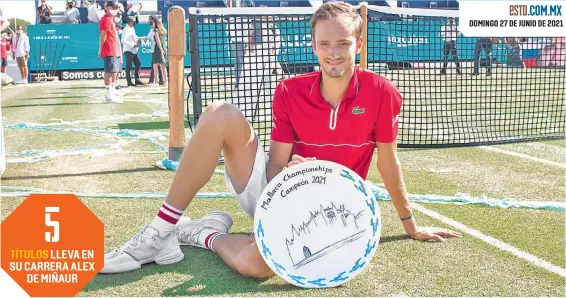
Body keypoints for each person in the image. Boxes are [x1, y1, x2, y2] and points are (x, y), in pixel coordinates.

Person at [101, 1, 461, 276]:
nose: (333, 53)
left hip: (330, 206)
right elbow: (275, 163)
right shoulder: (289, 89)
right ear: (313, 44)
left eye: (343, 43)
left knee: (260, 268)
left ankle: (202, 235)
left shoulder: (383, 92)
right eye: (325, 44)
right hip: (277, 189)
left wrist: (410, 226)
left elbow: (387, 161)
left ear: (358, 43)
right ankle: (161, 230)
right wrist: (287, 181)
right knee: (219, 114)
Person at [98, 1, 123, 103]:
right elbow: (103, 35)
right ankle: (109, 95)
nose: (115, 9)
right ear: (108, 8)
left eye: (116, 7)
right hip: (109, 48)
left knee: (114, 71)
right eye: (114, 7)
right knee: (109, 72)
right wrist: (100, 49)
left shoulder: (111, 19)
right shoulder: (107, 19)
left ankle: (111, 92)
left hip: (114, 48)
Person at [121, 16, 147, 87]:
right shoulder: (126, 30)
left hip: (134, 50)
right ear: (130, 21)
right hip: (128, 50)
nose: (135, 22)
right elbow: (123, 41)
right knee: (128, 66)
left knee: (138, 64)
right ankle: (129, 81)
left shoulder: (132, 28)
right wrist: (133, 45)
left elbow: (135, 37)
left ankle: (137, 80)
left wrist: (143, 38)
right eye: (134, 21)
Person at [150, 17, 168, 87]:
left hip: (158, 49)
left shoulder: (156, 31)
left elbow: (158, 41)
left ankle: (156, 82)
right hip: (164, 48)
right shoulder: (164, 30)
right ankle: (165, 82)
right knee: (164, 66)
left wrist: (160, 50)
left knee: (155, 66)